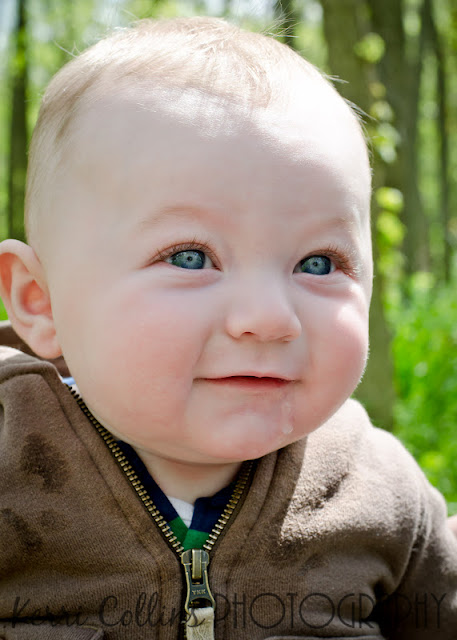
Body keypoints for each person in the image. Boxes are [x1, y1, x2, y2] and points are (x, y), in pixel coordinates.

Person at [0, 16, 455, 640]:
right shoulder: (12, 462)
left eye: (318, 264)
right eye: (190, 257)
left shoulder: (379, 491)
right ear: (40, 302)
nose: (269, 318)